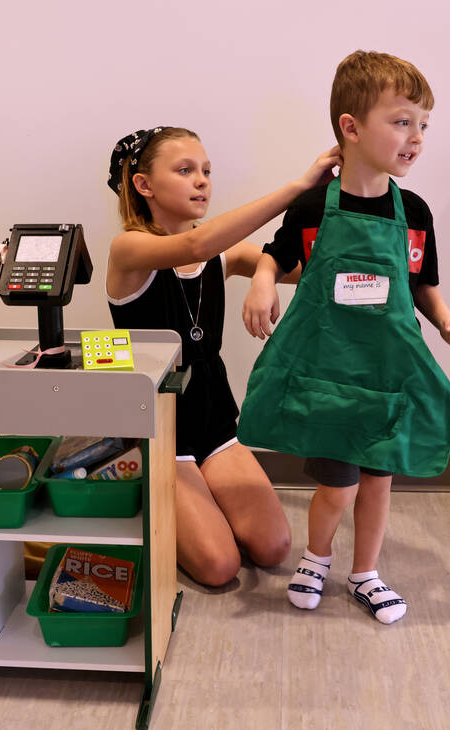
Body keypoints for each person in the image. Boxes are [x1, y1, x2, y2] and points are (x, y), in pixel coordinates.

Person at [238, 52, 450, 624]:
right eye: (401, 122)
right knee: (337, 485)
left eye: (423, 125)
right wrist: (262, 284)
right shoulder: (315, 204)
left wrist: (446, 320)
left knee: (378, 482)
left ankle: (365, 573)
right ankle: (316, 559)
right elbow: (275, 256)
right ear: (350, 127)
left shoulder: (413, 211)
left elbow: (420, 283)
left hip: (386, 370)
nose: (415, 138)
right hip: (328, 370)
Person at [105, 126, 341, 587]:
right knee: (220, 567)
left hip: (213, 419)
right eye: (185, 170)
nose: (202, 181)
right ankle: (144, 484)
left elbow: (300, 269)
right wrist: (299, 186)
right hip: (159, 429)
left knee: (274, 547)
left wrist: (265, 276)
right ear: (143, 185)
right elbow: (195, 245)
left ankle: (195, 494)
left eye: (207, 171)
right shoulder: (128, 249)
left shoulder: (223, 255)